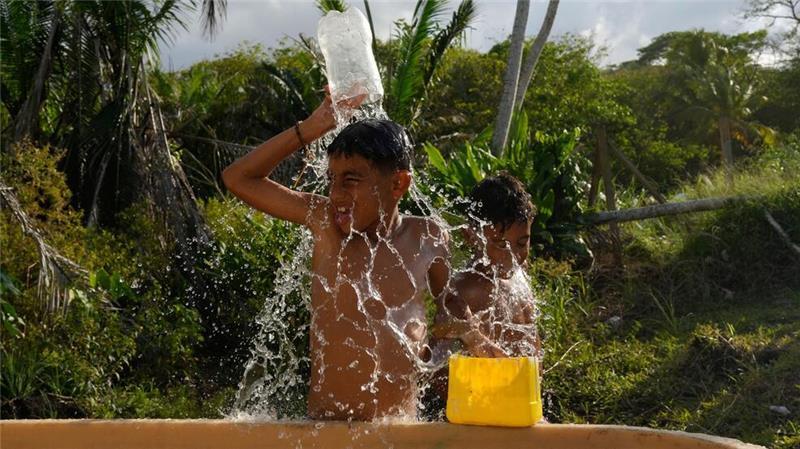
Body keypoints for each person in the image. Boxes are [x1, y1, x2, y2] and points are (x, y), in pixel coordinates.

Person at [222, 93, 449, 421]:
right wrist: (312, 127)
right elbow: (237, 178)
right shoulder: (325, 223)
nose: (337, 194)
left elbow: (448, 318)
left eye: (351, 180)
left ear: (398, 183)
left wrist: (452, 353)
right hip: (328, 432)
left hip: (401, 432)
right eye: (332, 180)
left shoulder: (429, 236)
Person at [423, 173, 539, 419]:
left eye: (521, 243)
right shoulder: (465, 289)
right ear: (469, 235)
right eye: (499, 243)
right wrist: (484, 403)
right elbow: (433, 367)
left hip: (524, 404)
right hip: (484, 414)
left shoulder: (519, 276)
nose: (512, 256)